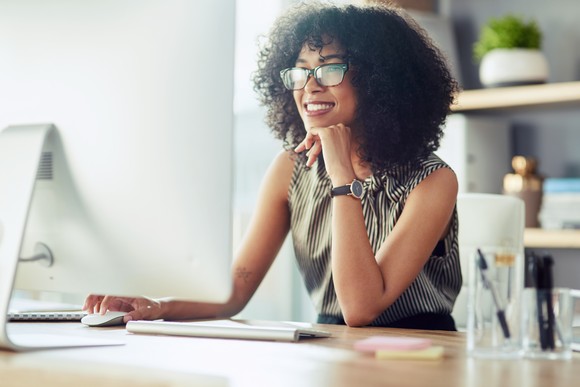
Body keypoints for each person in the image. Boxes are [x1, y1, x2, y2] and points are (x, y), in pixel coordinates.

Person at [84, 1, 461, 330]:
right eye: (300, 71)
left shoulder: (433, 180)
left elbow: (361, 308)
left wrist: (342, 177)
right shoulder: (290, 169)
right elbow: (234, 291)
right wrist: (155, 305)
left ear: (382, 82)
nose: (310, 87)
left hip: (421, 350)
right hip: (334, 350)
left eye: (329, 69)